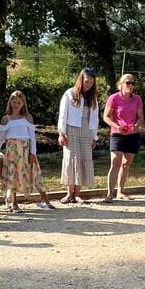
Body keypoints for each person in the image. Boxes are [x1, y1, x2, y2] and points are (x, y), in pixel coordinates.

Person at [57, 67, 99, 204]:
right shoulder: (70, 94)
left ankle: (78, 194)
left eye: (91, 82)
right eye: (87, 81)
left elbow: (95, 118)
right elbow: (63, 114)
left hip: (86, 131)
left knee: (84, 160)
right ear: (81, 80)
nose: (89, 84)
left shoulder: (93, 98)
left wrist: (94, 136)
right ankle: (69, 193)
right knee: (72, 159)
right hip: (72, 130)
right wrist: (61, 133)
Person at [0, 90, 38, 214]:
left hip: (24, 151)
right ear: (10, 103)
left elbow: (32, 137)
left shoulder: (28, 118)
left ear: (23, 103)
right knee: (11, 175)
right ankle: (13, 202)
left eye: (19, 102)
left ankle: (17, 199)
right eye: (14, 101)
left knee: (21, 175)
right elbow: (0, 138)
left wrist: (33, 152)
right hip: (12, 152)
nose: (16, 104)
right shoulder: (6, 119)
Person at [102, 74, 143, 203]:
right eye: (128, 83)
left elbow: (141, 117)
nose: (130, 86)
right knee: (115, 162)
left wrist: (136, 126)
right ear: (121, 84)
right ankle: (109, 193)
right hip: (117, 133)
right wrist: (117, 126)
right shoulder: (113, 98)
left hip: (132, 133)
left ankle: (121, 191)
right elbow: (106, 116)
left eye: (133, 83)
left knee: (126, 164)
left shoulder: (137, 99)